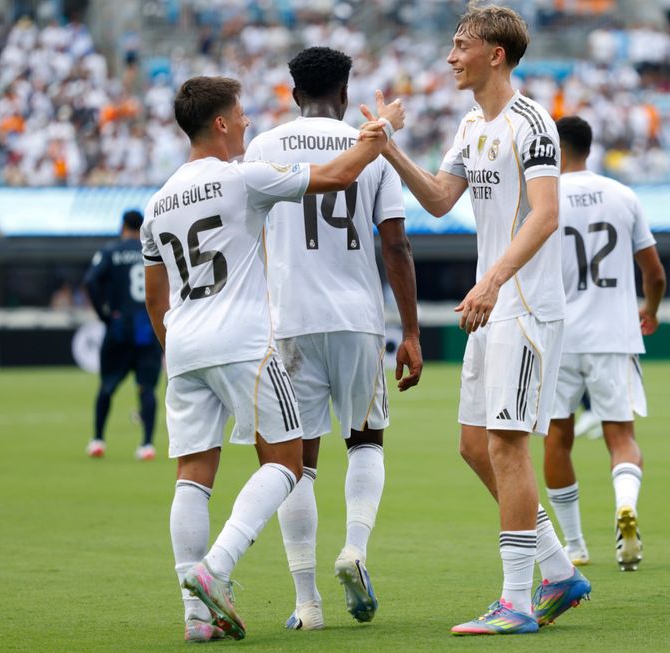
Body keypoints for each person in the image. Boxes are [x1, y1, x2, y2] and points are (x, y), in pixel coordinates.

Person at [142, 75, 403, 642]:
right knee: (287, 464)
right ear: (219, 123)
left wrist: (177, 346)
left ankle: (196, 619)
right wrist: (380, 131)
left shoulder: (156, 203)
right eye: (239, 114)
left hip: (183, 344)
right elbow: (338, 175)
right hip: (244, 342)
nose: (247, 123)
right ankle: (215, 569)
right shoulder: (243, 178)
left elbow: (154, 297)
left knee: (192, 477)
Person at [373, 4, 589, 635]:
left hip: (524, 306)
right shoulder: (472, 124)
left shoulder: (534, 123)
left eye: (461, 45)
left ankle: (516, 602)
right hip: (491, 306)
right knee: (474, 446)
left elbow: (546, 214)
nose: (451, 57)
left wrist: (492, 280)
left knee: (507, 445)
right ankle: (559, 571)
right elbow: (441, 199)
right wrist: (389, 151)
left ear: (495, 55)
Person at [244, 46, 423, 630]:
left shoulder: (263, 147)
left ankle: (307, 602)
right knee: (366, 442)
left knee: (296, 462)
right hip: (358, 319)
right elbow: (395, 244)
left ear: (294, 94)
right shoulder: (373, 145)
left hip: (289, 321)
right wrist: (411, 331)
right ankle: (355, 550)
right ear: (345, 94)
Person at [542, 115, 665, 572]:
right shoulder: (623, 195)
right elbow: (654, 273)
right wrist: (651, 309)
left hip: (558, 334)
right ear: (589, 148)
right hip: (613, 332)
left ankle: (575, 545)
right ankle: (625, 505)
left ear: (555, 149)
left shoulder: (543, 196)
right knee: (621, 437)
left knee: (557, 437)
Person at [82, 209, 163, 461]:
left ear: (122, 227)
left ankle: (98, 440)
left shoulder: (110, 251)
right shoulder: (153, 250)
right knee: (146, 388)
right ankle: (147, 444)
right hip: (147, 329)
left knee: (107, 386)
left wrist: (104, 314)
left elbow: (91, 281)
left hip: (119, 328)